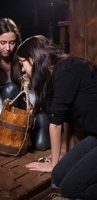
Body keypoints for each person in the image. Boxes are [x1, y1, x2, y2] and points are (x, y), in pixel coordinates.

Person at [17, 35, 97, 199]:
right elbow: (68, 119)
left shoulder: (65, 68)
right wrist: (68, 158)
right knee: (58, 177)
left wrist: (53, 163)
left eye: (22, 63)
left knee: (70, 189)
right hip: (95, 135)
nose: (23, 69)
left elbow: (56, 124)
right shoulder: (55, 72)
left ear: (33, 58)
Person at [0, 18, 50, 151]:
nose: (8, 48)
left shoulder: (23, 57)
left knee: (42, 145)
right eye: (2, 43)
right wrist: (4, 123)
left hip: (32, 106)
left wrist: (31, 118)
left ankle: (31, 131)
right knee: (9, 89)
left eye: (12, 42)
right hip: (12, 111)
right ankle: (16, 132)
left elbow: (33, 90)